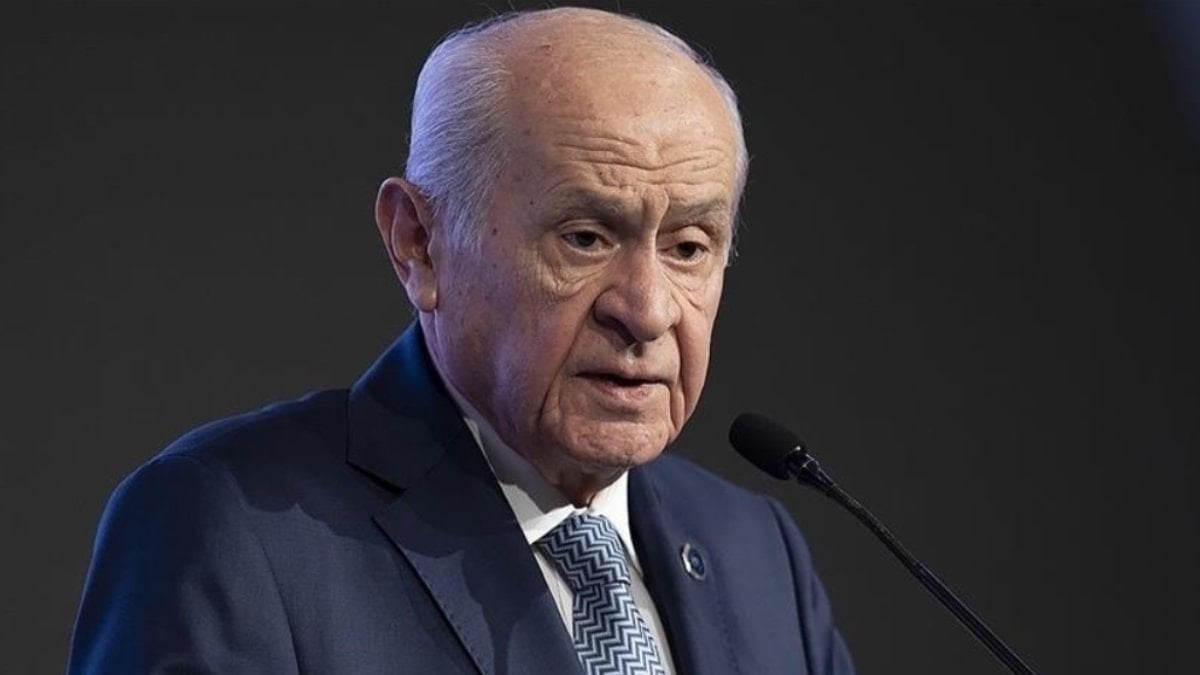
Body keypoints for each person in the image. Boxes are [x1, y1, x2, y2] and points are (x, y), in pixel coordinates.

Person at [68, 7, 854, 674]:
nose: (647, 310)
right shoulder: (233, 529)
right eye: (584, 237)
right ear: (419, 243)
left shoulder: (756, 550)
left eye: (688, 247)